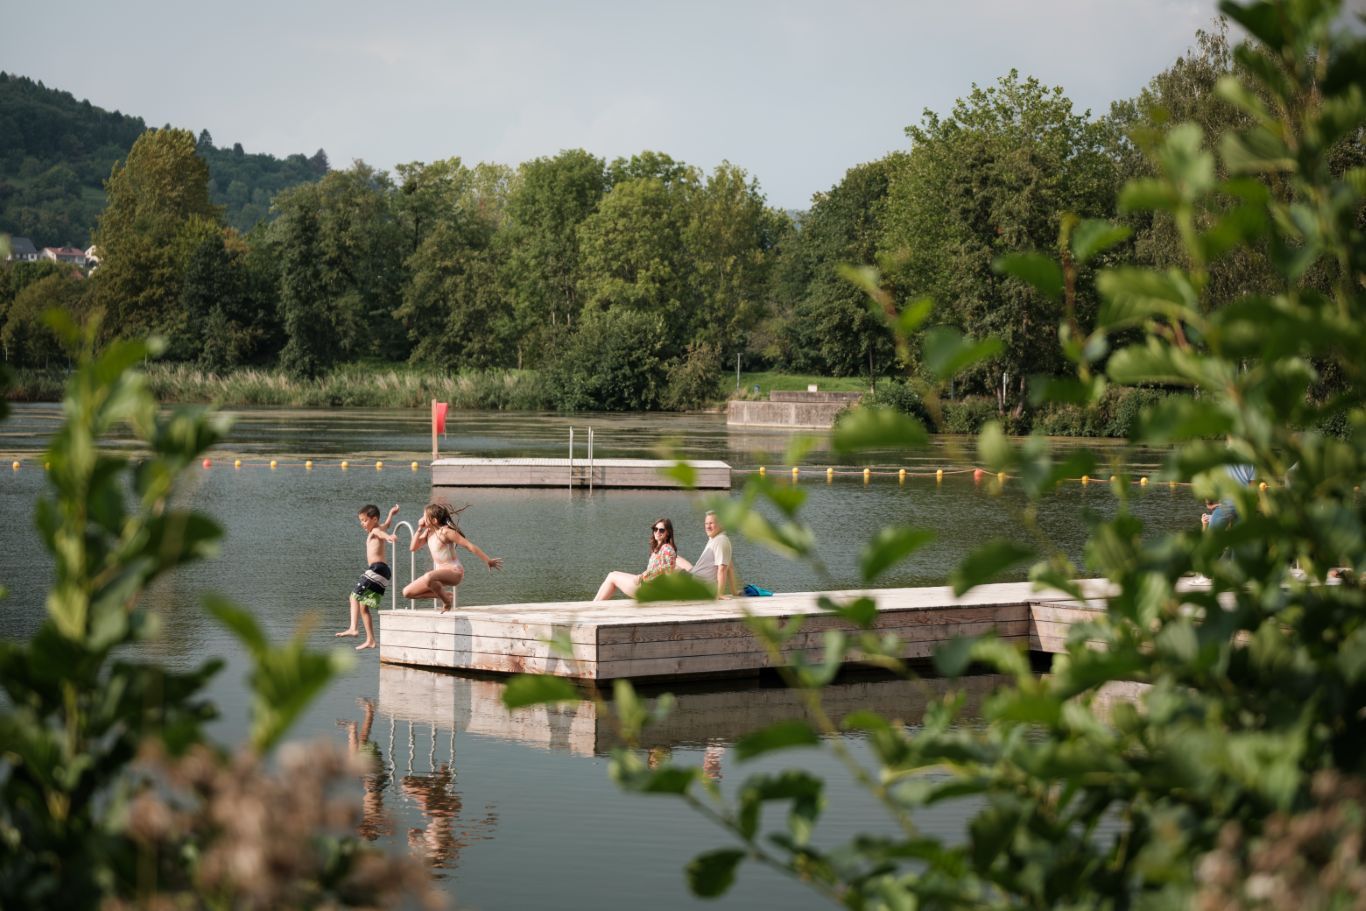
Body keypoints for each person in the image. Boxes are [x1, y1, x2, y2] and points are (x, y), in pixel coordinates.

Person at [404, 503, 503, 612]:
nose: (422, 519)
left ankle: (447, 603)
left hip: (454, 572)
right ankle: (446, 596)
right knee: (407, 592)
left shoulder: (446, 532)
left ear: (434, 521)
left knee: (428, 577)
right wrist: (419, 529)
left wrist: (487, 560)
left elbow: (469, 546)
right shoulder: (428, 532)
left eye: (424, 516)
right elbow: (413, 547)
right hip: (437, 575)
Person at [338, 503, 399, 650]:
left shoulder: (375, 531)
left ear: (374, 519)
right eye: (361, 521)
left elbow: (382, 534)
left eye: (365, 520)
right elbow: (387, 525)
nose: (362, 524)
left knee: (353, 596)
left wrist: (389, 537)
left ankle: (353, 628)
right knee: (363, 606)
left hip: (377, 569)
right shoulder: (380, 527)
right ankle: (371, 640)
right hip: (383, 572)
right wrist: (391, 513)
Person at [593, 518, 678, 601]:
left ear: (668, 533)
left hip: (653, 591)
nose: (657, 532)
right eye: (655, 529)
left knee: (612, 577)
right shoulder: (659, 548)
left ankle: (593, 606)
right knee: (613, 574)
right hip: (650, 586)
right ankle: (594, 604)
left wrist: (643, 576)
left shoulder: (667, 549)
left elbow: (667, 571)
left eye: (661, 530)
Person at [676, 511, 736, 598]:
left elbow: (722, 569)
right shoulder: (714, 538)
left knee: (669, 566)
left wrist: (719, 594)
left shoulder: (721, 541)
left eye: (711, 523)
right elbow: (730, 567)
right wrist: (734, 592)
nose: (708, 526)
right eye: (706, 523)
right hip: (696, 576)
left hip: (698, 585)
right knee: (674, 558)